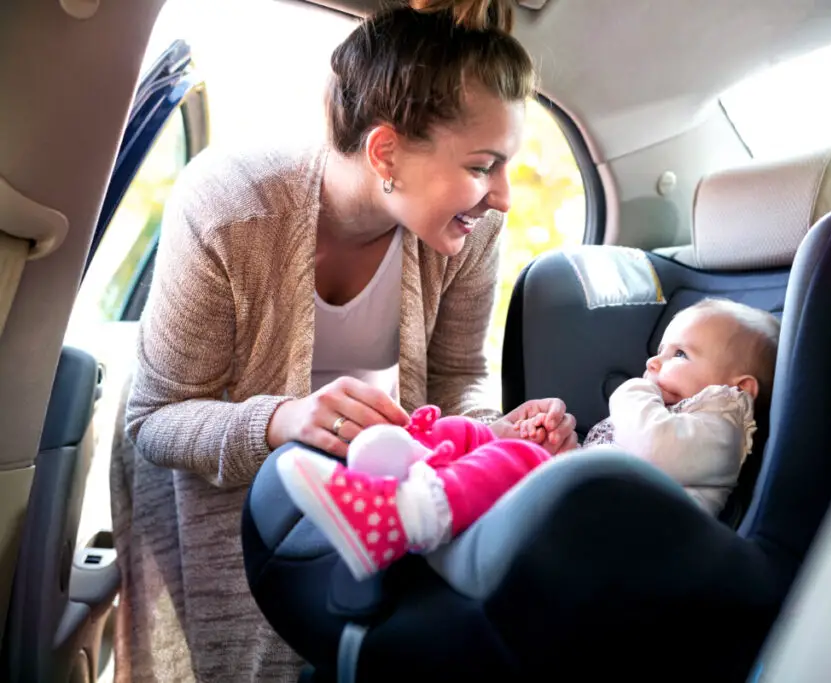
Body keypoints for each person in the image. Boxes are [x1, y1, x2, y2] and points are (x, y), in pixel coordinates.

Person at [110, 1, 577, 681]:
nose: (503, 196)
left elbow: (458, 378)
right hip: (210, 483)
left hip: (358, 488)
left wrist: (501, 434)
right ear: (386, 151)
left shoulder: (469, 235)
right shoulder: (229, 206)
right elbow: (156, 418)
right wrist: (282, 420)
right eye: (483, 165)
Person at [277, 297, 780, 580]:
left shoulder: (723, 425)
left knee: (520, 457)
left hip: (627, 553)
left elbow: (651, 453)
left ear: (738, 388)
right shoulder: (676, 410)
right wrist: (566, 452)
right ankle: (414, 458)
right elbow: (620, 466)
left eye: (679, 355)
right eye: (660, 350)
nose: (654, 363)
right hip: (600, 514)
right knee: (483, 433)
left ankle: (404, 517)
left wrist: (632, 392)